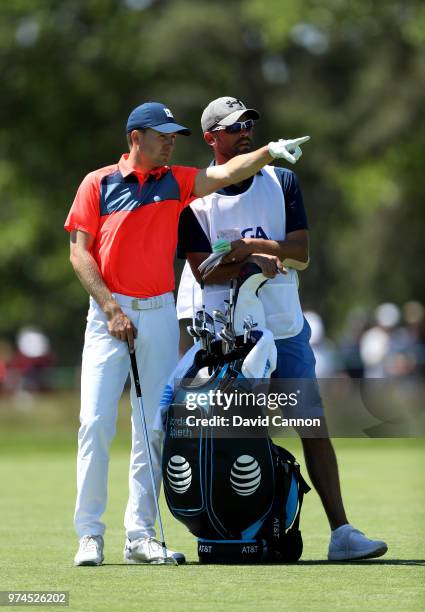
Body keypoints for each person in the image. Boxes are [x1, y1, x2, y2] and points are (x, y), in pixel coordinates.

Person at [65, 100, 309, 566]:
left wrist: (270, 152)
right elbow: (80, 253)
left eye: (174, 134)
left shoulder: (176, 181)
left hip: (157, 312)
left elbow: (225, 173)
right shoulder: (97, 184)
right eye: (162, 135)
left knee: (152, 427)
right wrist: (111, 308)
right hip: (108, 315)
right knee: (95, 423)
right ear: (136, 138)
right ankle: (89, 534)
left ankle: (140, 534)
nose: (170, 141)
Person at [176, 96, 388, 561]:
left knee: (310, 425)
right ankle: (241, 532)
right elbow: (203, 272)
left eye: (248, 123)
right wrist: (254, 260)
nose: (245, 131)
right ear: (211, 138)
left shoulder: (281, 179)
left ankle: (342, 532)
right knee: (238, 432)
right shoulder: (195, 197)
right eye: (233, 128)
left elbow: (299, 252)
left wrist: (245, 246)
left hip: (284, 325)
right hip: (228, 335)